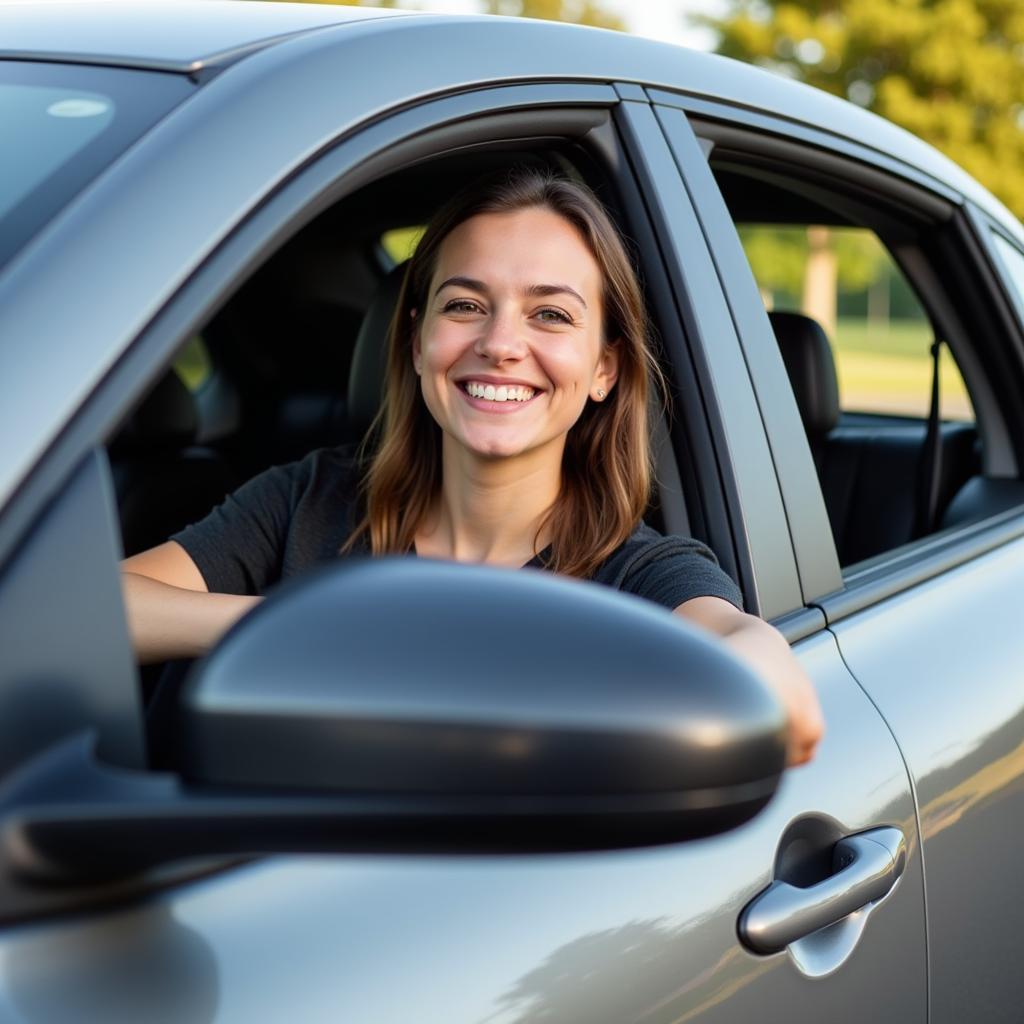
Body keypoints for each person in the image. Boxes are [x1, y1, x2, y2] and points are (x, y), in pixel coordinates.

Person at [121, 168, 824, 766]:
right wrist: (300, 629)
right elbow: (97, 611)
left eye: (550, 315)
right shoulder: (309, 498)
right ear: (419, 339)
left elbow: (783, 705)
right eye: (465, 305)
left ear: (605, 367)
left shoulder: (639, 576)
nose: (500, 343)